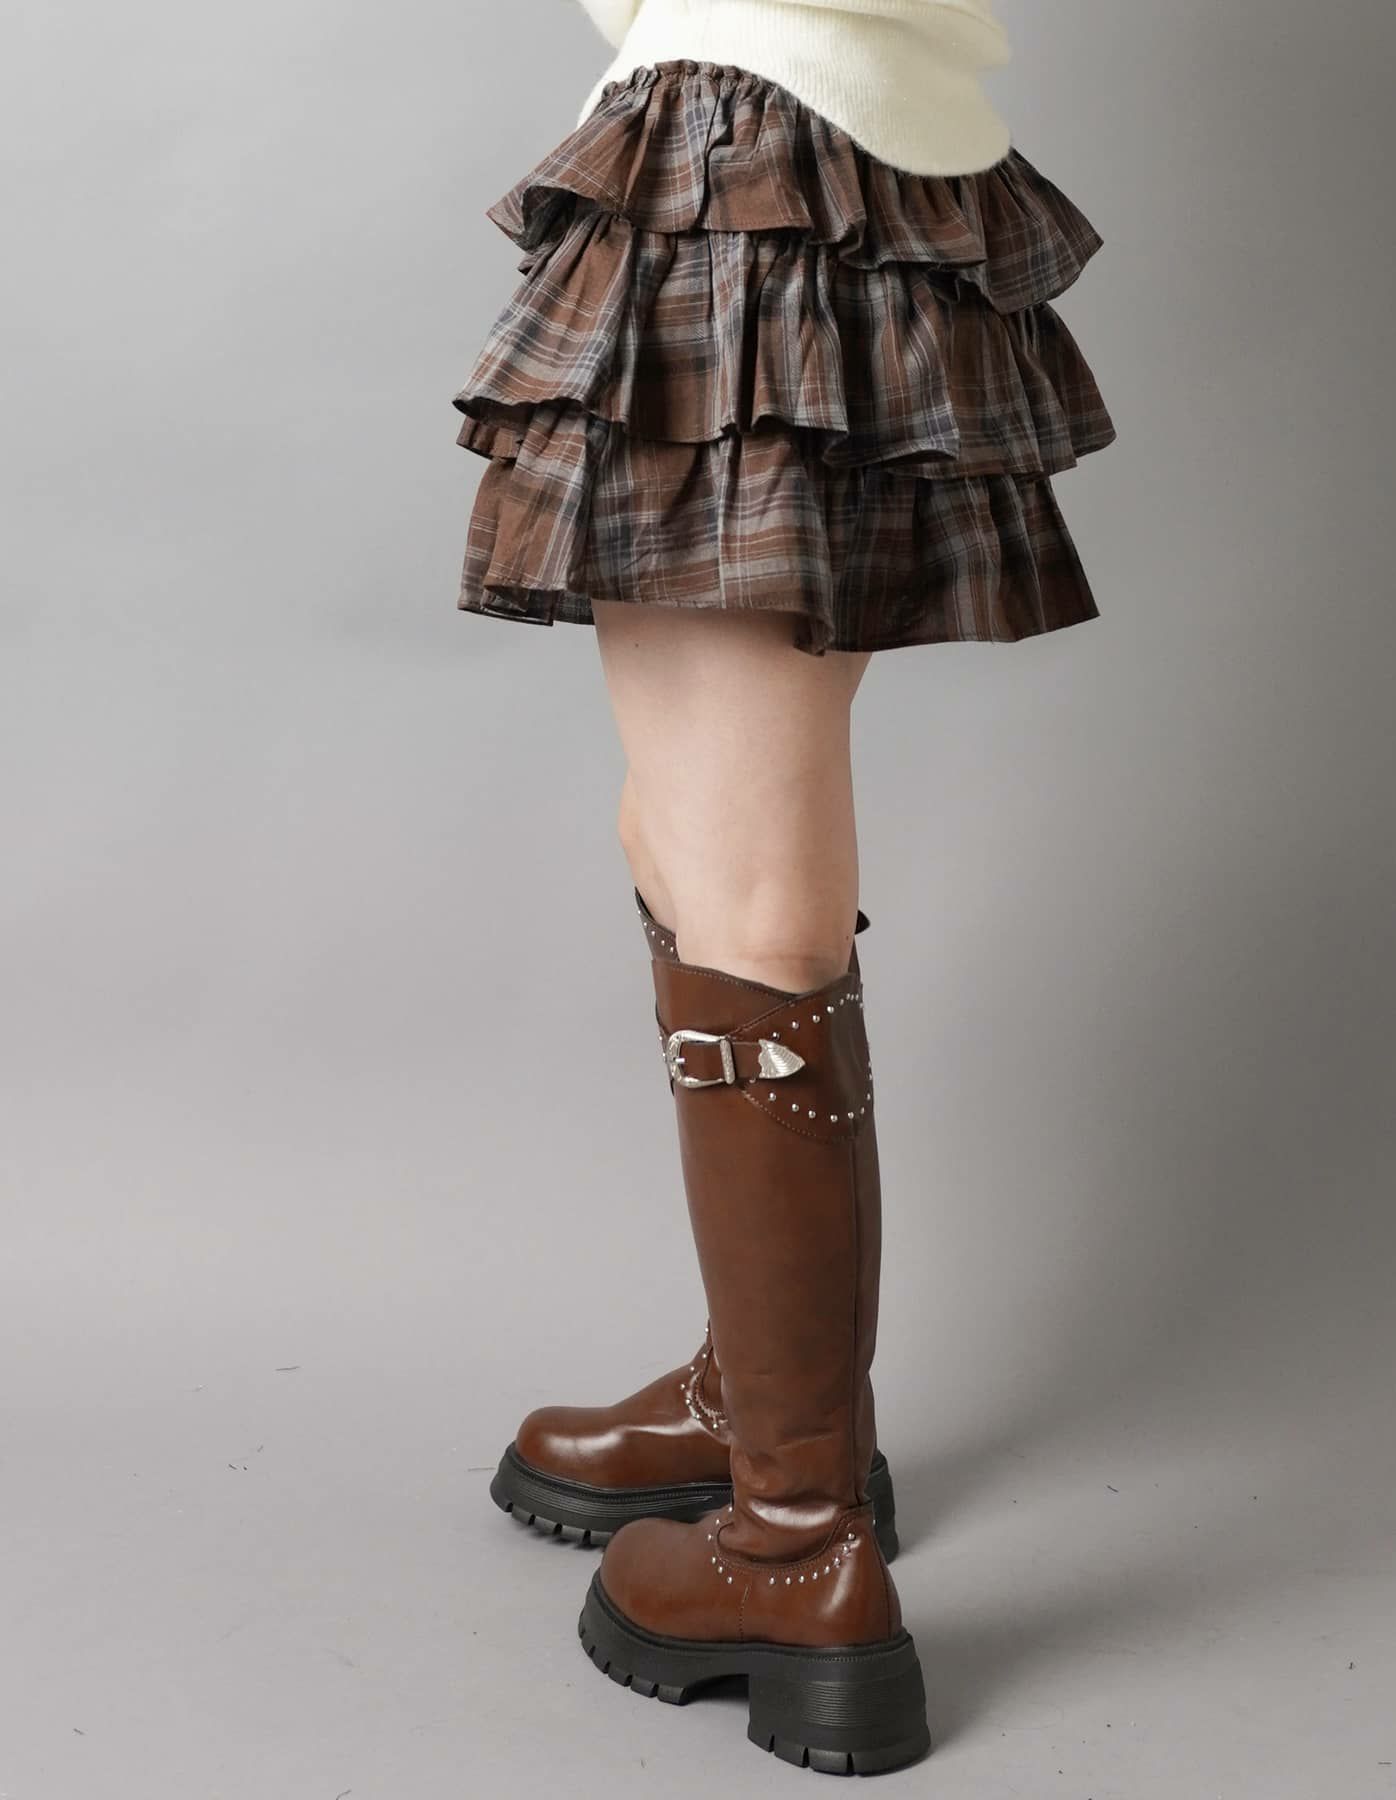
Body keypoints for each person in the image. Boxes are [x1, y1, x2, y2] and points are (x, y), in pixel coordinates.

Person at [449, 0, 1115, 1774]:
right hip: (872, 162)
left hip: (743, 160)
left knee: (746, 881)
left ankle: (794, 1545)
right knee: (683, 836)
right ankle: (771, 1410)